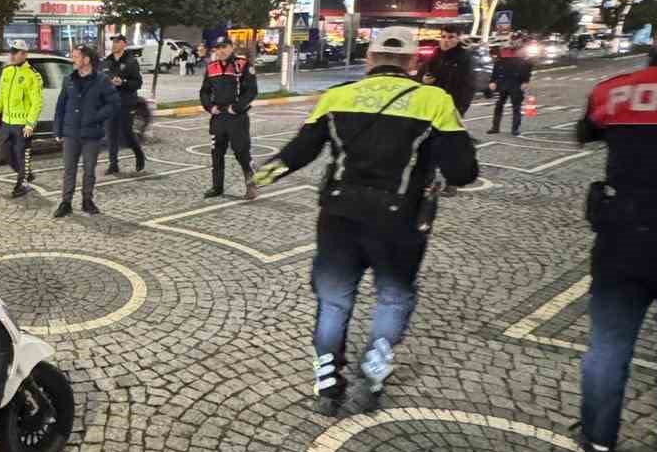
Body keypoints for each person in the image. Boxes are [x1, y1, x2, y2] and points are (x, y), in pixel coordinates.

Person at [257, 25, 478, 410]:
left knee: (333, 301)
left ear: (370, 59)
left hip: (339, 216)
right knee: (392, 298)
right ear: (412, 62)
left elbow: (300, 151)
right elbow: (463, 172)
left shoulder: (337, 96)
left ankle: (327, 382)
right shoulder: (434, 101)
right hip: (401, 220)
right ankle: (374, 372)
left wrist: (264, 174)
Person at [573, 27, 657, 452]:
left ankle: (597, 439)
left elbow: (585, 132)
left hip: (624, 234)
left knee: (609, 344)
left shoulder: (616, 90)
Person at [53, 45, 120, 218]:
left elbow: (113, 103)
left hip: (91, 134)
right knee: (69, 170)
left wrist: (96, 116)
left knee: (89, 170)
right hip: (71, 133)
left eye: (76, 57)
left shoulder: (102, 80)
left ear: (86, 60)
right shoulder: (68, 79)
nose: (72, 60)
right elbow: (60, 106)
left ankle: (87, 201)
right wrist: (58, 130)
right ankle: (65, 203)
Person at [200, 36, 258, 200]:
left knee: (241, 152)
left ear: (231, 47)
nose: (221, 51)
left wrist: (237, 107)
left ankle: (251, 185)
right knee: (216, 153)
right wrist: (210, 107)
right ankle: (217, 187)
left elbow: (251, 91)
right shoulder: (211, 67)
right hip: (218, 117)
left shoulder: (243, 65)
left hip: (236, 117)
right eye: (217, 48)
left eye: (224, 47)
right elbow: (204, 91)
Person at [0, 44, 43, 198]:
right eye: (11, 52)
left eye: (16, 53)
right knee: (7, 153)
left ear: (24, 54)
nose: (12, 56)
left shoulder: (32, 75)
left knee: (21, 155)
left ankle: (21, 185)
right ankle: (25, 173)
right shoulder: (7, 71)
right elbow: (1, 94)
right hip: (6, 122)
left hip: (22, 125)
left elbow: (37, 102)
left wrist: (30, 123)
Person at [102, 34, 146, 175]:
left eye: (117, 41)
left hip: (126, 102)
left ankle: (139, 154)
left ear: (124, 44)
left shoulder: (131, 61)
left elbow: (138, 83)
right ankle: (113, 164)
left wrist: (124, 83)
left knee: (126, 133)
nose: (114, 44)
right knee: (111, 134)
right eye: (113, 42)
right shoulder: (107, 61)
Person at [424, 27, 474, 118]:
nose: (446, 40)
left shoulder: (464, 58)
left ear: (458, 39)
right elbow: (424, 74)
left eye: (451, 37)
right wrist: (424, 80)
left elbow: (468, 86)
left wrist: (460, 110)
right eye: (443, 37)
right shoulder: (436, 55)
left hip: (451, 108)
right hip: (432, 106)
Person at [489, 36, 533, 135]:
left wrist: (525, 81)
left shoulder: (522, 56)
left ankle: (515, 129)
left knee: (516, 107)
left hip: (516, 84)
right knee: (498, 106)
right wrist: (492, 81)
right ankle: (495, 127)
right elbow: (496, 68)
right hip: (502, 83)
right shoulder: (502, 55)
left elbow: (527, 68)